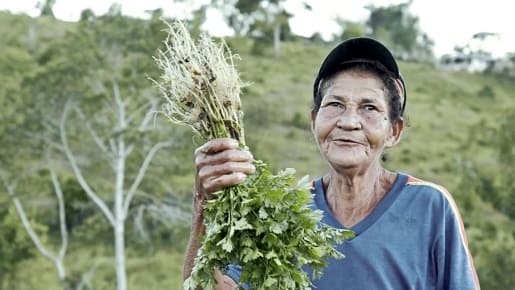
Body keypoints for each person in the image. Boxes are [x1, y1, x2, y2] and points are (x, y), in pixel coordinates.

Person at [184, 37, 481, 290]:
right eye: (335, 104)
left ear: (394, 131)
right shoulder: (283, 215)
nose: (349, 122)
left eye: (369, 108)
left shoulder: (430, 207)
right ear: (315, 121)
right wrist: (205, 205)